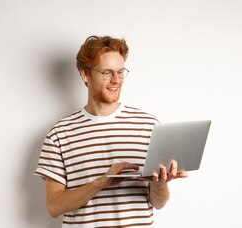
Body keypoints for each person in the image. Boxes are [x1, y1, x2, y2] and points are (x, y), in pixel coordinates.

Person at [34, 35, 188, 227]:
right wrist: (101, 182)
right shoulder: (59, 133)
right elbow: (54, 206)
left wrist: (160, 184)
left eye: (120, 72)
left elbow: (158, 203)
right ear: (85, 74)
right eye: (107, 72)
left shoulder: (149, 125)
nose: (116, 80)